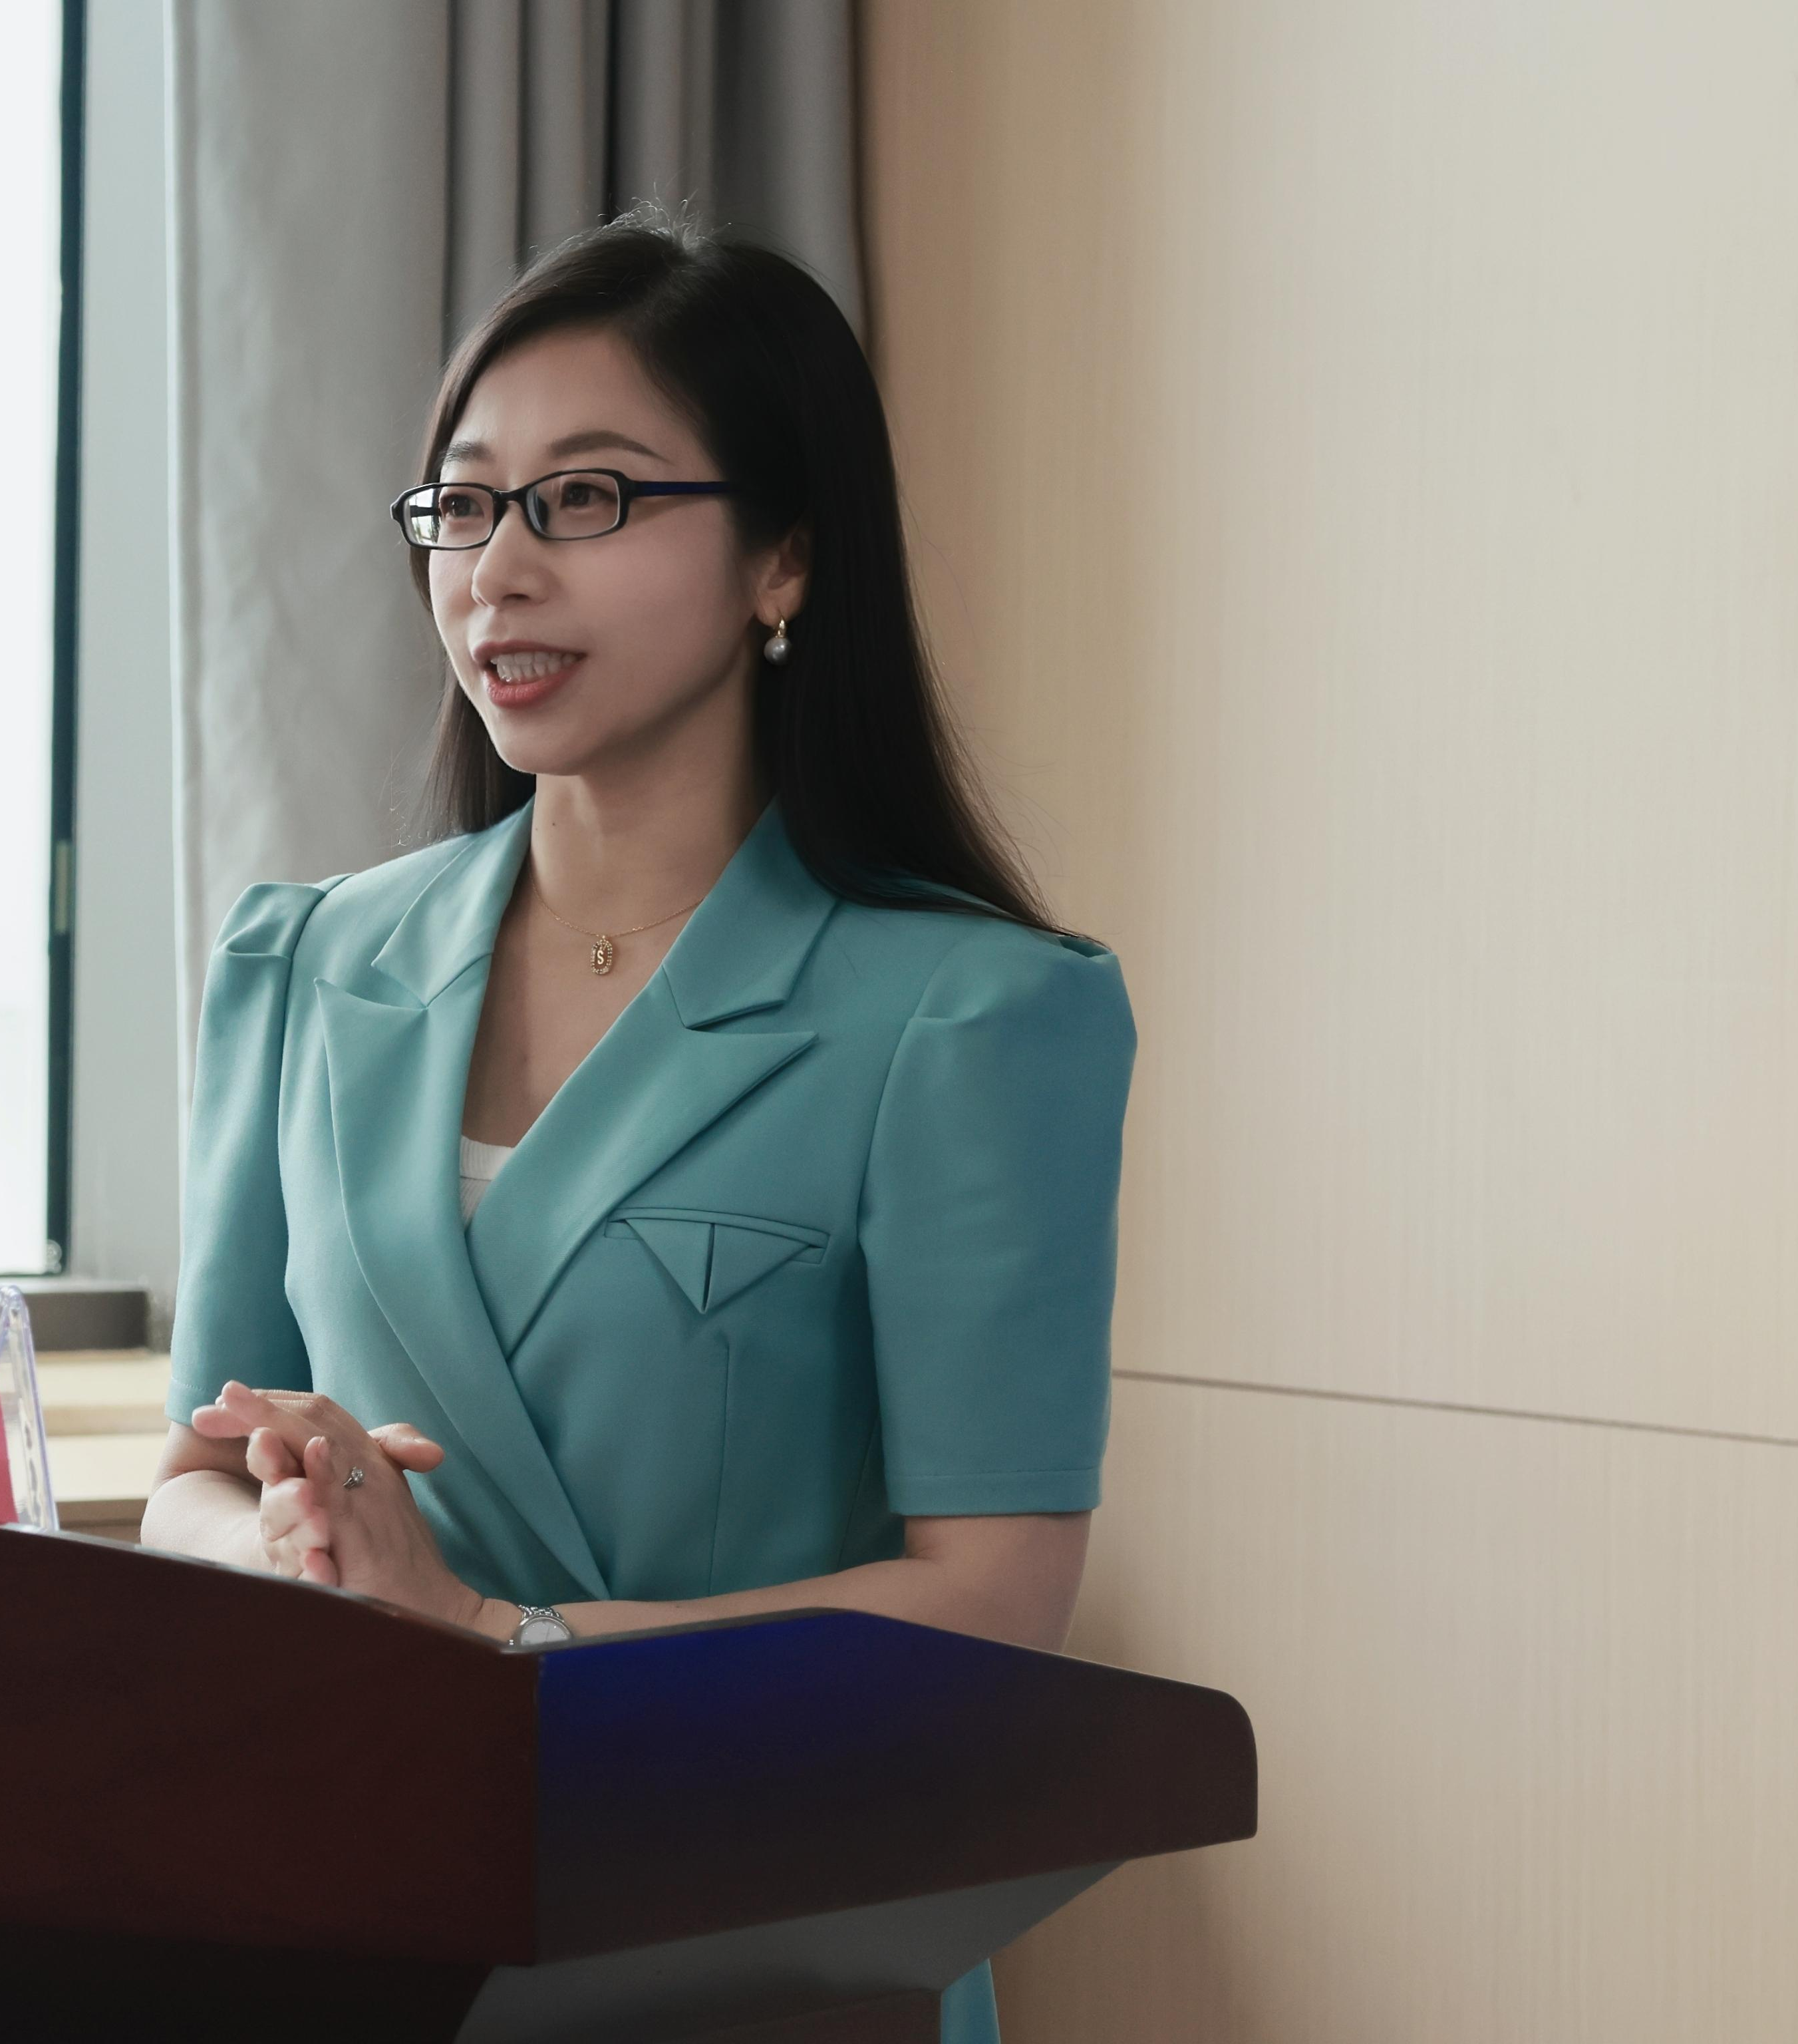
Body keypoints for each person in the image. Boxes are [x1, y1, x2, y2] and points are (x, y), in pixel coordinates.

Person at [138, 212, 1133, 2044]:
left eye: (586, 500)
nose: (499, 572)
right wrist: (306, 1547)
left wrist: (500, 1644)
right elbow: (194, 1473)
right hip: (365, 1910)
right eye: (464, 506)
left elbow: (997, 1601)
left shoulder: (974, 1011)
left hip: (764, 1932)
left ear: (786, 555)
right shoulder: (306, 963)